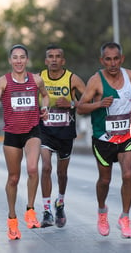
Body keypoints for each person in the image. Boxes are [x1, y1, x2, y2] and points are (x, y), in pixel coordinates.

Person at [76, 42, 131, 238]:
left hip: (125, 135)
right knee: (105, 180)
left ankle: (125, 218)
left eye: (116, 59)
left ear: (121, 59)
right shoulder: (95, 81)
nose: (112, 63)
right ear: (102, 60)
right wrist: (98, 104)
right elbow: (80, 108)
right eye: (108, 59)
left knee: (127, 175)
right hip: (103, 138)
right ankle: (102, 212)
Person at [0, 44, 49, 240]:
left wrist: (44, 108)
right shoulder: (3, 82)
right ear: (10, 61)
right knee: (13, 178)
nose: (19, 61)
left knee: (32, 169)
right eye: (15, 57)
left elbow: (45, 96)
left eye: (22, 57)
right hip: (12, 135)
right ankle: (12, 220)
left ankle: (30, 210)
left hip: (32, 130)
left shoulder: (36, 79)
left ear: (27, 60)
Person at [38, 44, 86, 228]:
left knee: (62, 173)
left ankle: (60, 202)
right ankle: (47, 210)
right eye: (50, 56)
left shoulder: (72, 78)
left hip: (65, 132)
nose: (54, 59)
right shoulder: (39, 78)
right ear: (46, 61)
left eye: (58, 56)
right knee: (46, 167)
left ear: (63, 60)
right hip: (45, 131)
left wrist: (71, 104)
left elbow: (89, 99)